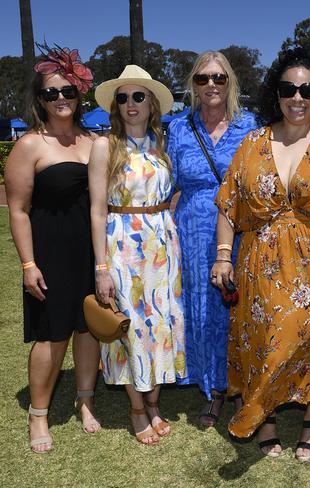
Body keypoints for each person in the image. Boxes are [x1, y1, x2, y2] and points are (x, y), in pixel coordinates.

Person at [211, 48, 310, 461]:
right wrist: (224, 256)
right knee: (266, 339)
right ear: (276, 93)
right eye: (288, 88)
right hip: (262, 264)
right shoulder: (253, 143)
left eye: (307, 89)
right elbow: (228, 205)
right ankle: (264, 417)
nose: (297, 97)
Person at [5, 45, 100, 453]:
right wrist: (28, 263)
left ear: (80, 95)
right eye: (51, 93)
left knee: (89, 327)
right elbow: (19, 210)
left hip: (92, 251)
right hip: (49, 252)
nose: (61, 99)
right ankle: (39, 415)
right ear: (40, 99)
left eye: (68, 91)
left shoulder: (94, 141)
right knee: (51, 335)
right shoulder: (29, 145)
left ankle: (85, 400)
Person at [88, 65, 187, 445]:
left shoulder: (162, 144)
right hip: (121, 248)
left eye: (138, 96)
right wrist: (101, 267)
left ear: (152, 104)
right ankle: (136, 407)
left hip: (162, 244)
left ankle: (155, 401)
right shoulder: (105, 146)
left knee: (162, 324)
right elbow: (97, 209)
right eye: (123, 97)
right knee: (128, 326)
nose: (131, 104)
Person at [167, 51, 257, 427]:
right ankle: (212, 388)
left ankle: (240, 386)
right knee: (202, 310)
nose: (211, 85)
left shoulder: (249, 126)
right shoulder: (178, 128)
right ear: (193, 85)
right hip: (191, 232)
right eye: (203, 79)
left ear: (230, 83)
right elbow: (166, 183)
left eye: (219, 78)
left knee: (239, 309)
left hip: (239, 231)